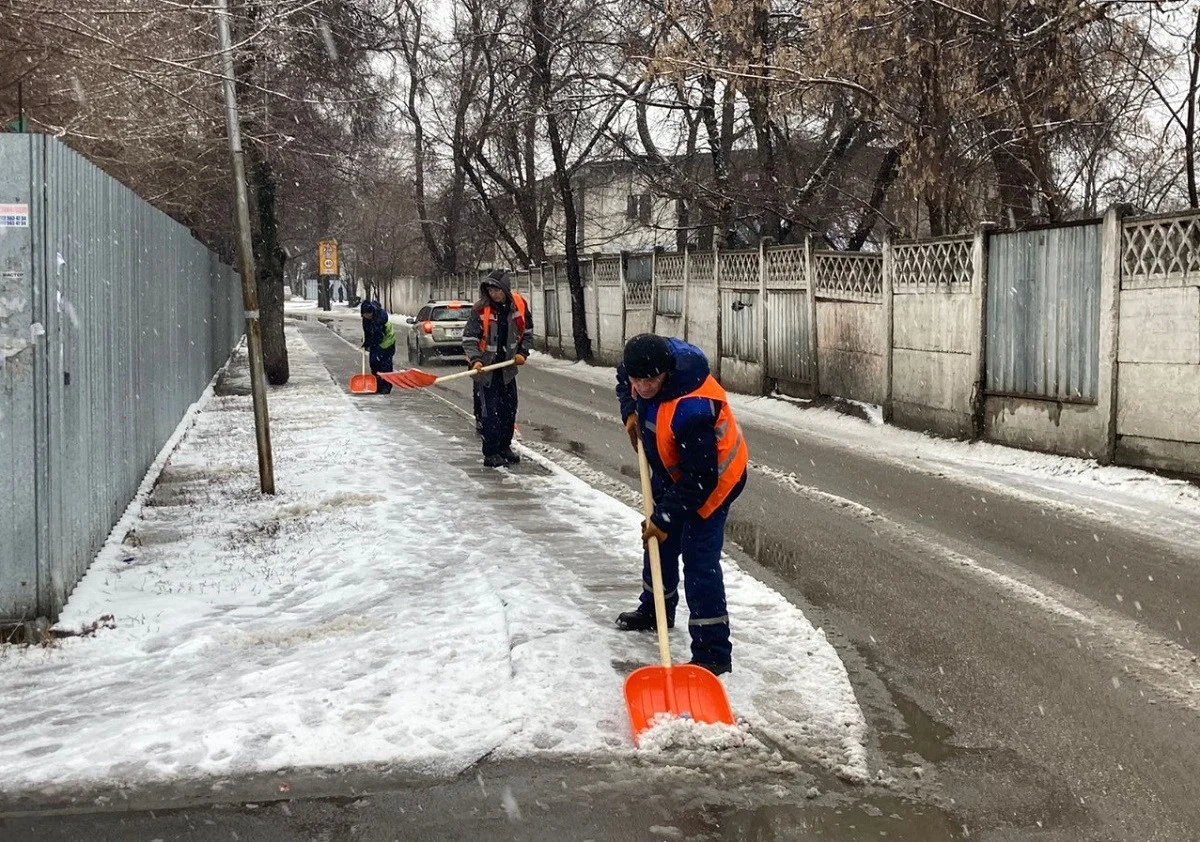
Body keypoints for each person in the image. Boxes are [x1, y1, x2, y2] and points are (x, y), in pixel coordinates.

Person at [614, 333, 749, 676]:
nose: (643, 387)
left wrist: (665, 515)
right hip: (673, 470)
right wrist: (630, 411)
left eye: (651, 381)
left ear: (667, 373)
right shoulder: (641, 363)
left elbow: (700, 480)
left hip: (712, 482)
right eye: (637, 380)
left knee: (699, 561)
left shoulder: (692, 409)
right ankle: (656, 609)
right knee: (658, 542)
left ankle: (712, 652)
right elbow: (623, 377)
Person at [462, 269, 532, 467]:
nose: (494, 294)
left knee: (509, 409)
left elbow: (527, 332)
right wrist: (476, 360)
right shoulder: (480, 310)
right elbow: (469, 339)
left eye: (497, 290)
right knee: (489, 412)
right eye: (490, 290)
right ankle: (491, 451)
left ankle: (504, 446)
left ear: (505, 289)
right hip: (485, 372)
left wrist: (522, 353)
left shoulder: (518, 305)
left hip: (507, 370)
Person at [360, 299, 396, 395]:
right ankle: (377, 384)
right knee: (373, 363)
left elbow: (377, 334)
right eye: (364, 315)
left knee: (385, 365)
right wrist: (366, 341)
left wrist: (371, 342)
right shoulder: (366, 319)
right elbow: (367, 331)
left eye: (368, 314)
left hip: (387, 342)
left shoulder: (380, 317)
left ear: (371, 312)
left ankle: (386, 386)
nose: (366, 316)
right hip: (377, 342)